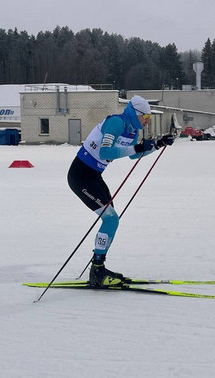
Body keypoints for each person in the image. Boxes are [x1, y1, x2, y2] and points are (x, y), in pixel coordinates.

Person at [67, 95, 174, 286]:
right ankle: (97, 271)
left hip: (94, 176)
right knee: (111, 219)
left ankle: (99, 267)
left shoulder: (131, 131)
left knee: (112, 221)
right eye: (146, 117)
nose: (146, 121)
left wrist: (157, 144)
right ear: (136, 113)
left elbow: (133, 155)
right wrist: (139, 147)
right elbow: (105, 152)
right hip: (80, 176)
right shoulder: (117, 123)